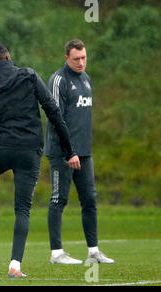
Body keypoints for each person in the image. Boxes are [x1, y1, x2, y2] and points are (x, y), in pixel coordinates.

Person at [0, 44, 80, 278]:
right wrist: (69, 151)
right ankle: (15, 265)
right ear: (7, 57)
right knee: (22, 210)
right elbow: (53, 111)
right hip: (29, 149)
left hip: (2, 147)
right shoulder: (27, 75)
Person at [45, 39, 114, 265]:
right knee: (58, 199)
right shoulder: (58, 81)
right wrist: (69, 152)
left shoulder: (86, 80)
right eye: (76, 59)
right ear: (66, 58)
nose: (81, 62)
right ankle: (56, 253)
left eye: (84, 57)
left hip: (84, 153)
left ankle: (93, 251)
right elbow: (56, 120)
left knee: (90, 200)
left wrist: (80, 151)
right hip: (63, 153)